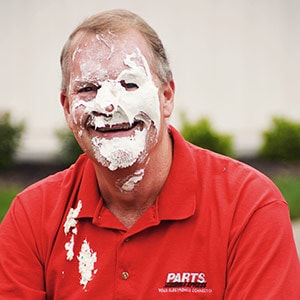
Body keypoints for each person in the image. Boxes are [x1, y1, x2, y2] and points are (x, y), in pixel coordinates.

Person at [0, 9, 299, 299]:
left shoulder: (248, 207)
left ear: (166, 96)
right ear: (67, 108)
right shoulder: (32, 217)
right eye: (88, 88)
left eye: (129, 83)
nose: (108, 104)